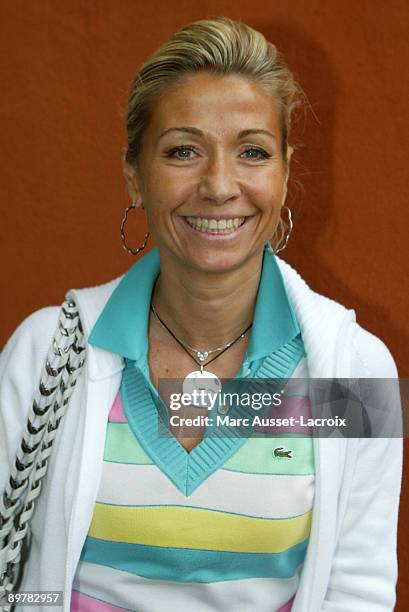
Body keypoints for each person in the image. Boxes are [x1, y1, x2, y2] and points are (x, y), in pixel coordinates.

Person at [0, 16, 402, 612]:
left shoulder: (356, 368)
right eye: (184, 151)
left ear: (286, 173)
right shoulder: (44, 353)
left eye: (253, 152)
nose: (218, 186)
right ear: (135, 174)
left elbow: (359, 588)